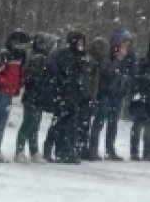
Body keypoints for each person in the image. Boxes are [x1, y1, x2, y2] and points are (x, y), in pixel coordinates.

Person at [0, 31, 27, 162]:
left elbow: (18, 76)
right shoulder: (4, 56)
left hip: (8, 94)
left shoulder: (20, 58)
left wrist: (16, 86)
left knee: (1, 123)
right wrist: (5, 84)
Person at [89, 29, 134, 161]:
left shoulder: (127, 60)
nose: (126, 47)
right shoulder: (107, 59)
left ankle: (110, 148)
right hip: (106, 94)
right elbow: (106, 74)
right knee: (99, 122)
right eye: (123, 44)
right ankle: (93, 148)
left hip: (117, 95)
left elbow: (129, 76)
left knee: (113, 123)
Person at [48, 31, 89, 165]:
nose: (81, 45)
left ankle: (67, 149)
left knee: (70, 124)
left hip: (73, 94)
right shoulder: (67, 55)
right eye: (79, 42)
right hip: (65, 94)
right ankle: (61, 150)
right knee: (62, 124)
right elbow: (67, 73)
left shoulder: (80, 56)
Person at [15, 33, 54, 163]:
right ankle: (20, 151)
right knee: (29, 123)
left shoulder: (38, 58)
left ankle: (33, 151)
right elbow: (32, 78)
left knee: (34, 124)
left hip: (36, 97)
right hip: (33, 96)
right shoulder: (38, 59)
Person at [77, 36, 107, 161]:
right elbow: (88, 80)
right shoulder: (90, 61)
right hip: (85, 96)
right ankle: (80, 147)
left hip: (90, 96)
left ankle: (83, 148)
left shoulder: (98, 62)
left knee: (86, 124)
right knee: (82, 123)